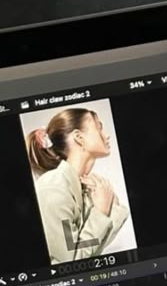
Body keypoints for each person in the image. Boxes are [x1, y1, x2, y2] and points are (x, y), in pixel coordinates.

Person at [26, 108, 129, 264]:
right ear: (79, 137)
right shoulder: (54, 188)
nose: (106, 135)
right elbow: (72, 262)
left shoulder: (85, 190)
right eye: (99, 127)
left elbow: (89, 250)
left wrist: (110, 208)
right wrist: (101, 212)